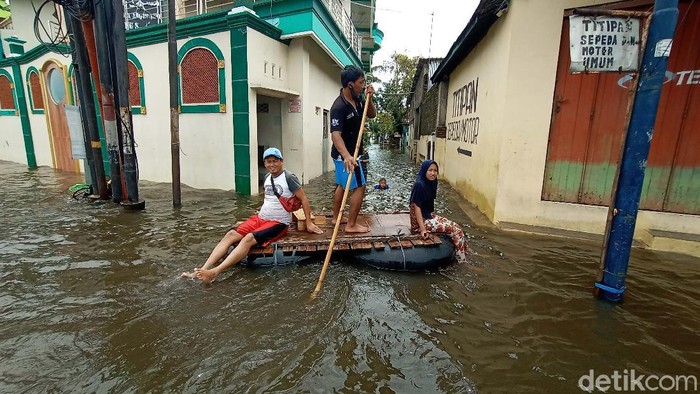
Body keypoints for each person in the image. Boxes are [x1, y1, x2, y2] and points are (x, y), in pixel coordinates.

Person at [182, 147, 323, 283]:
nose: (272, 164)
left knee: (248, 239)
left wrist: (309, 223)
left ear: (281, 161)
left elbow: (304, 199)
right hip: (261, 218)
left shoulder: (289, 177)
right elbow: (269, 199)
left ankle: (215, 272)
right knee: (230, 234)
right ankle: (202, 270)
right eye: (268, 161)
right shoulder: (268, 177)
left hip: (278, 223)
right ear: (265, 163)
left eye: (275, 161)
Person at [330, 65, 376, 232]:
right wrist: (347, 156)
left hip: (350, 153)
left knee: (341, 185)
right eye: (361, 82)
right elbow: (336, 135)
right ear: (350, 84)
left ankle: (336, 218)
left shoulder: (358, 98)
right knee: (360, 186)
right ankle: (351, 225)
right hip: (346, 155)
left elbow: (371, 114)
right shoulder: (338, 107)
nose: (363, 85)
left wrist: (368, 97)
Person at [409, 160, 470, 262]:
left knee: (457, 226)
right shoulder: (419, 185)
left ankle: (466, 252)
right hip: (421, 222)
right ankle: (462, 261)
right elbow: (416, 208)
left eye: (435, 170)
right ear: (425, 170)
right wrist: (422, 229)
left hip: (430, 216)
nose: (433, 173)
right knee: (456, 230)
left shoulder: (433, 182)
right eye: (430, 170)